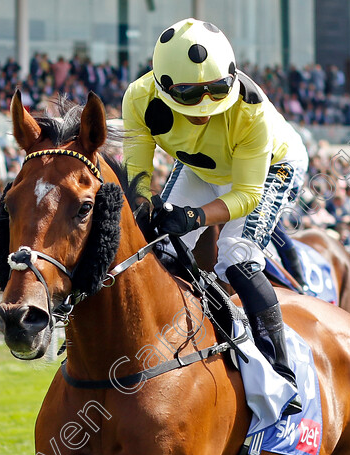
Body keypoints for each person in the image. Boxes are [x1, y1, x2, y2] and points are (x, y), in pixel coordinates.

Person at [122, 18, 310, 414]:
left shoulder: (250, 108)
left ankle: (281, 374)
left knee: (234, 255)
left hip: (271, 167)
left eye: (217, 93)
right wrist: (148, 204)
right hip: (204, 168)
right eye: (191, 97)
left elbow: (244, 195)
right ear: (164, 86)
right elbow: (137, 177)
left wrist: (192, 217)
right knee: (159, 247)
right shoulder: (138, 98)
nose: (205, 109)